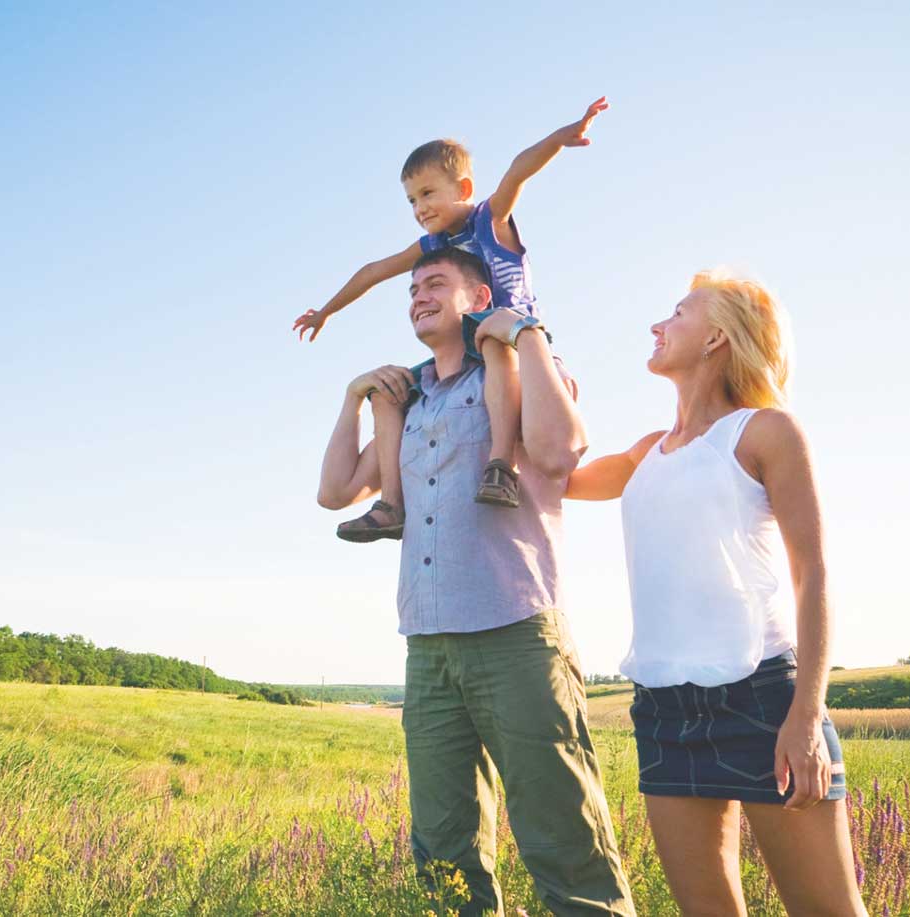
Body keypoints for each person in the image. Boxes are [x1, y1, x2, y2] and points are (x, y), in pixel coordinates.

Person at [316, 246, 634, 916]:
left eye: (434, 283)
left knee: (563, 836)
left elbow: (559, 450)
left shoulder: (517, 370)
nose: (416, 297)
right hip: (428, 646)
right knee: (442, 847)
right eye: (410, 292)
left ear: (477, 297)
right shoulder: (409, 400)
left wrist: (524, 334)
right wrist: (351, 397)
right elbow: (336, 489)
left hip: (515, 632)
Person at [565, 270, 868, 916]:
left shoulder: (765, 433)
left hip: (762, 701)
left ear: (716, 339)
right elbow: (554, 475)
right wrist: (534, 362)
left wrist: (805, 716)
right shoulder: (647, 451)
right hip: (663, 713)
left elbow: (813, 574)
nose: (657, 325)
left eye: (677, 313)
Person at [297, 97, 609, 542]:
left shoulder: (489, 219)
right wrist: (327, 310)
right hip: (463, 352)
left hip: (509, 337)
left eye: (427, 194)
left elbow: (518, 170)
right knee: (390, 391)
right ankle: (392, 505)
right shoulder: (432, 246)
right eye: (411, 200)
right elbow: (373, 270)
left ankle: (500, 464)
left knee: (491, 341)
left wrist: (562, 137)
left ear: (462, 189)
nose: (419, 208)